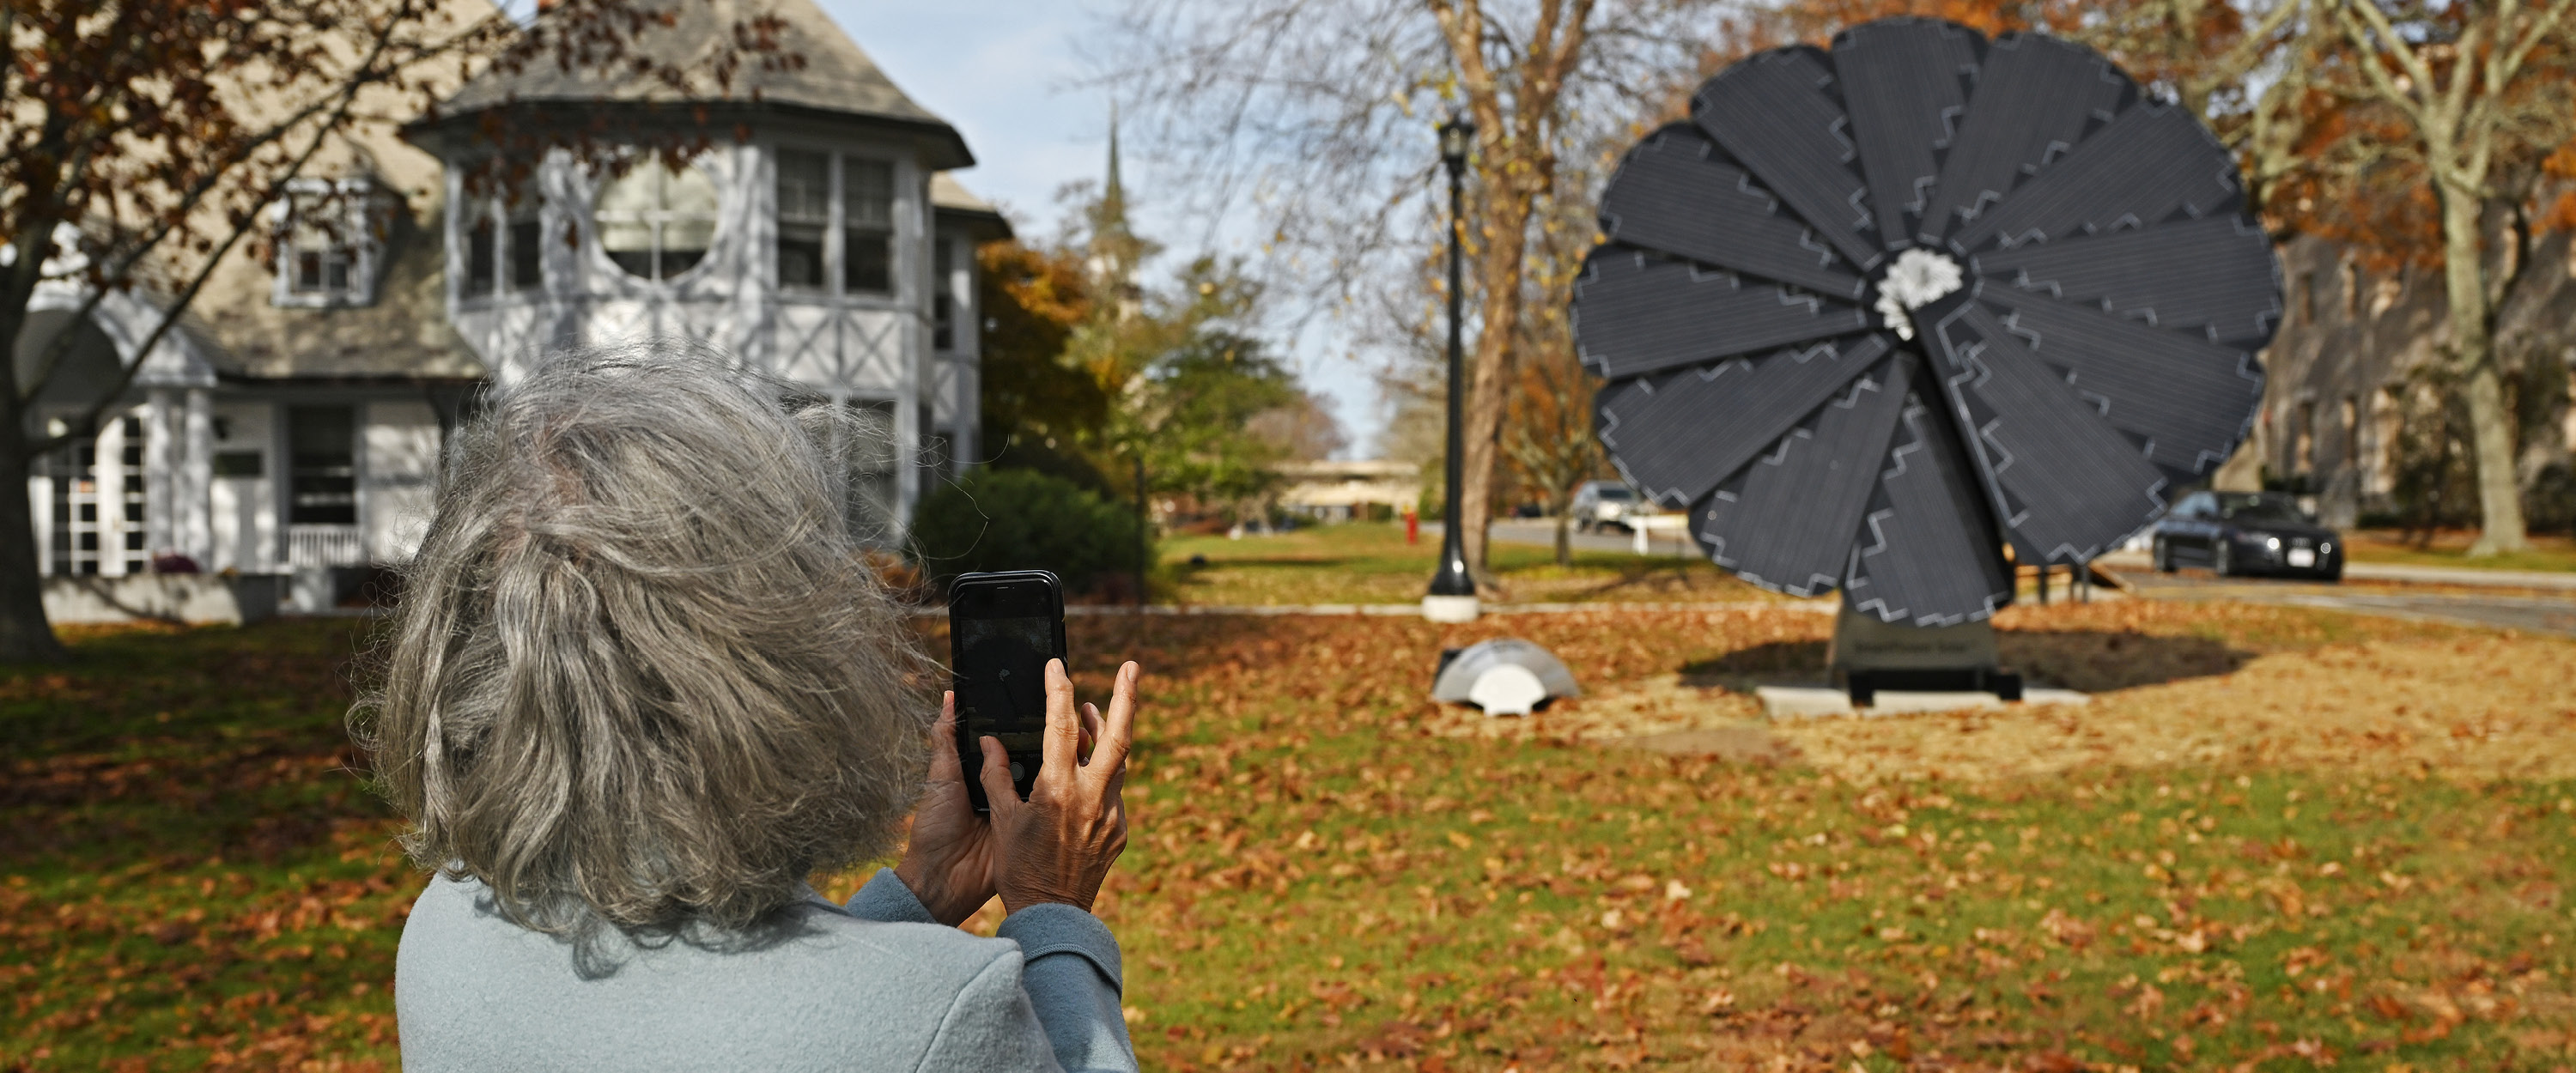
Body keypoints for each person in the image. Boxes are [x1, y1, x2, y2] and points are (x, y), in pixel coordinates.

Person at [353, 346, 1139, 1071]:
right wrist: (1051, 909)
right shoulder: (941, 1014)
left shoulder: (448, 929)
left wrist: (922, 890)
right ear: (773, 671)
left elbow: (732, 1007)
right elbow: (849, 1025)